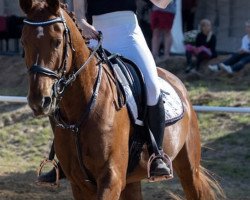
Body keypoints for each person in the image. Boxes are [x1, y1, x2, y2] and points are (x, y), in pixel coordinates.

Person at [37, 0, 174, 184]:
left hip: (129, 36)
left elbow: (162, 4)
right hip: (95, 36)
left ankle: (157, 154)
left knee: (151, 86)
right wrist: (83, 25)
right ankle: (61, 158)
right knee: (66, 88)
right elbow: (79, 13)